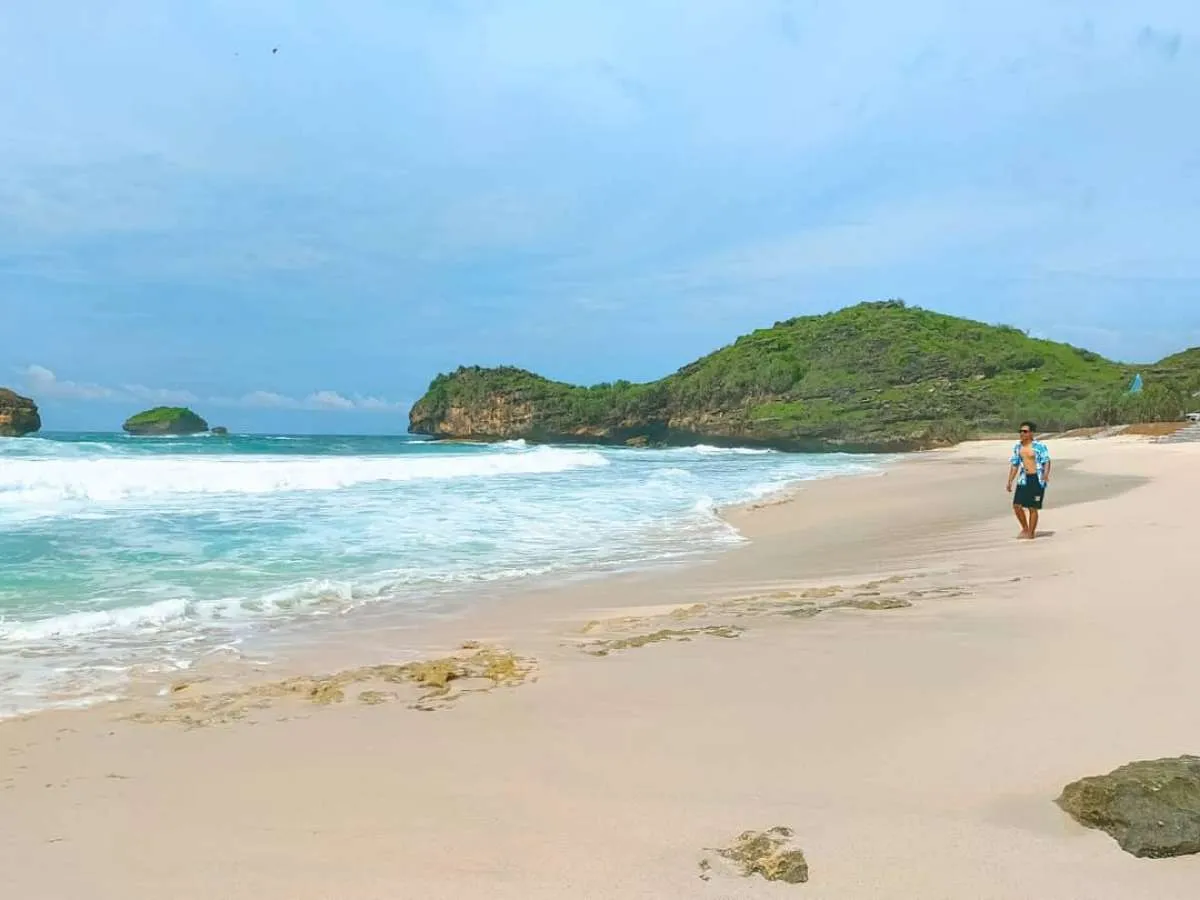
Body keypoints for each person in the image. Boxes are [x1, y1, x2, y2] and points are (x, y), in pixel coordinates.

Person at [1006, 421, 1051, 539]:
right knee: (1017, 505)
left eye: (1025, 431)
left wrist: (1045, 474)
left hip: (1037, 479)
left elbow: (1046, 460)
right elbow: (1015, 464)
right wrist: (1010, 480)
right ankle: (1025, 528)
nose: (1022, 433)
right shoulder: (1018, 447)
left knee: (1032, 507)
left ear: (1031, 433)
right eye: (1020, 431)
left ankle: (1031, 532)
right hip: (1023, 479)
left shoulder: (1039, 446)